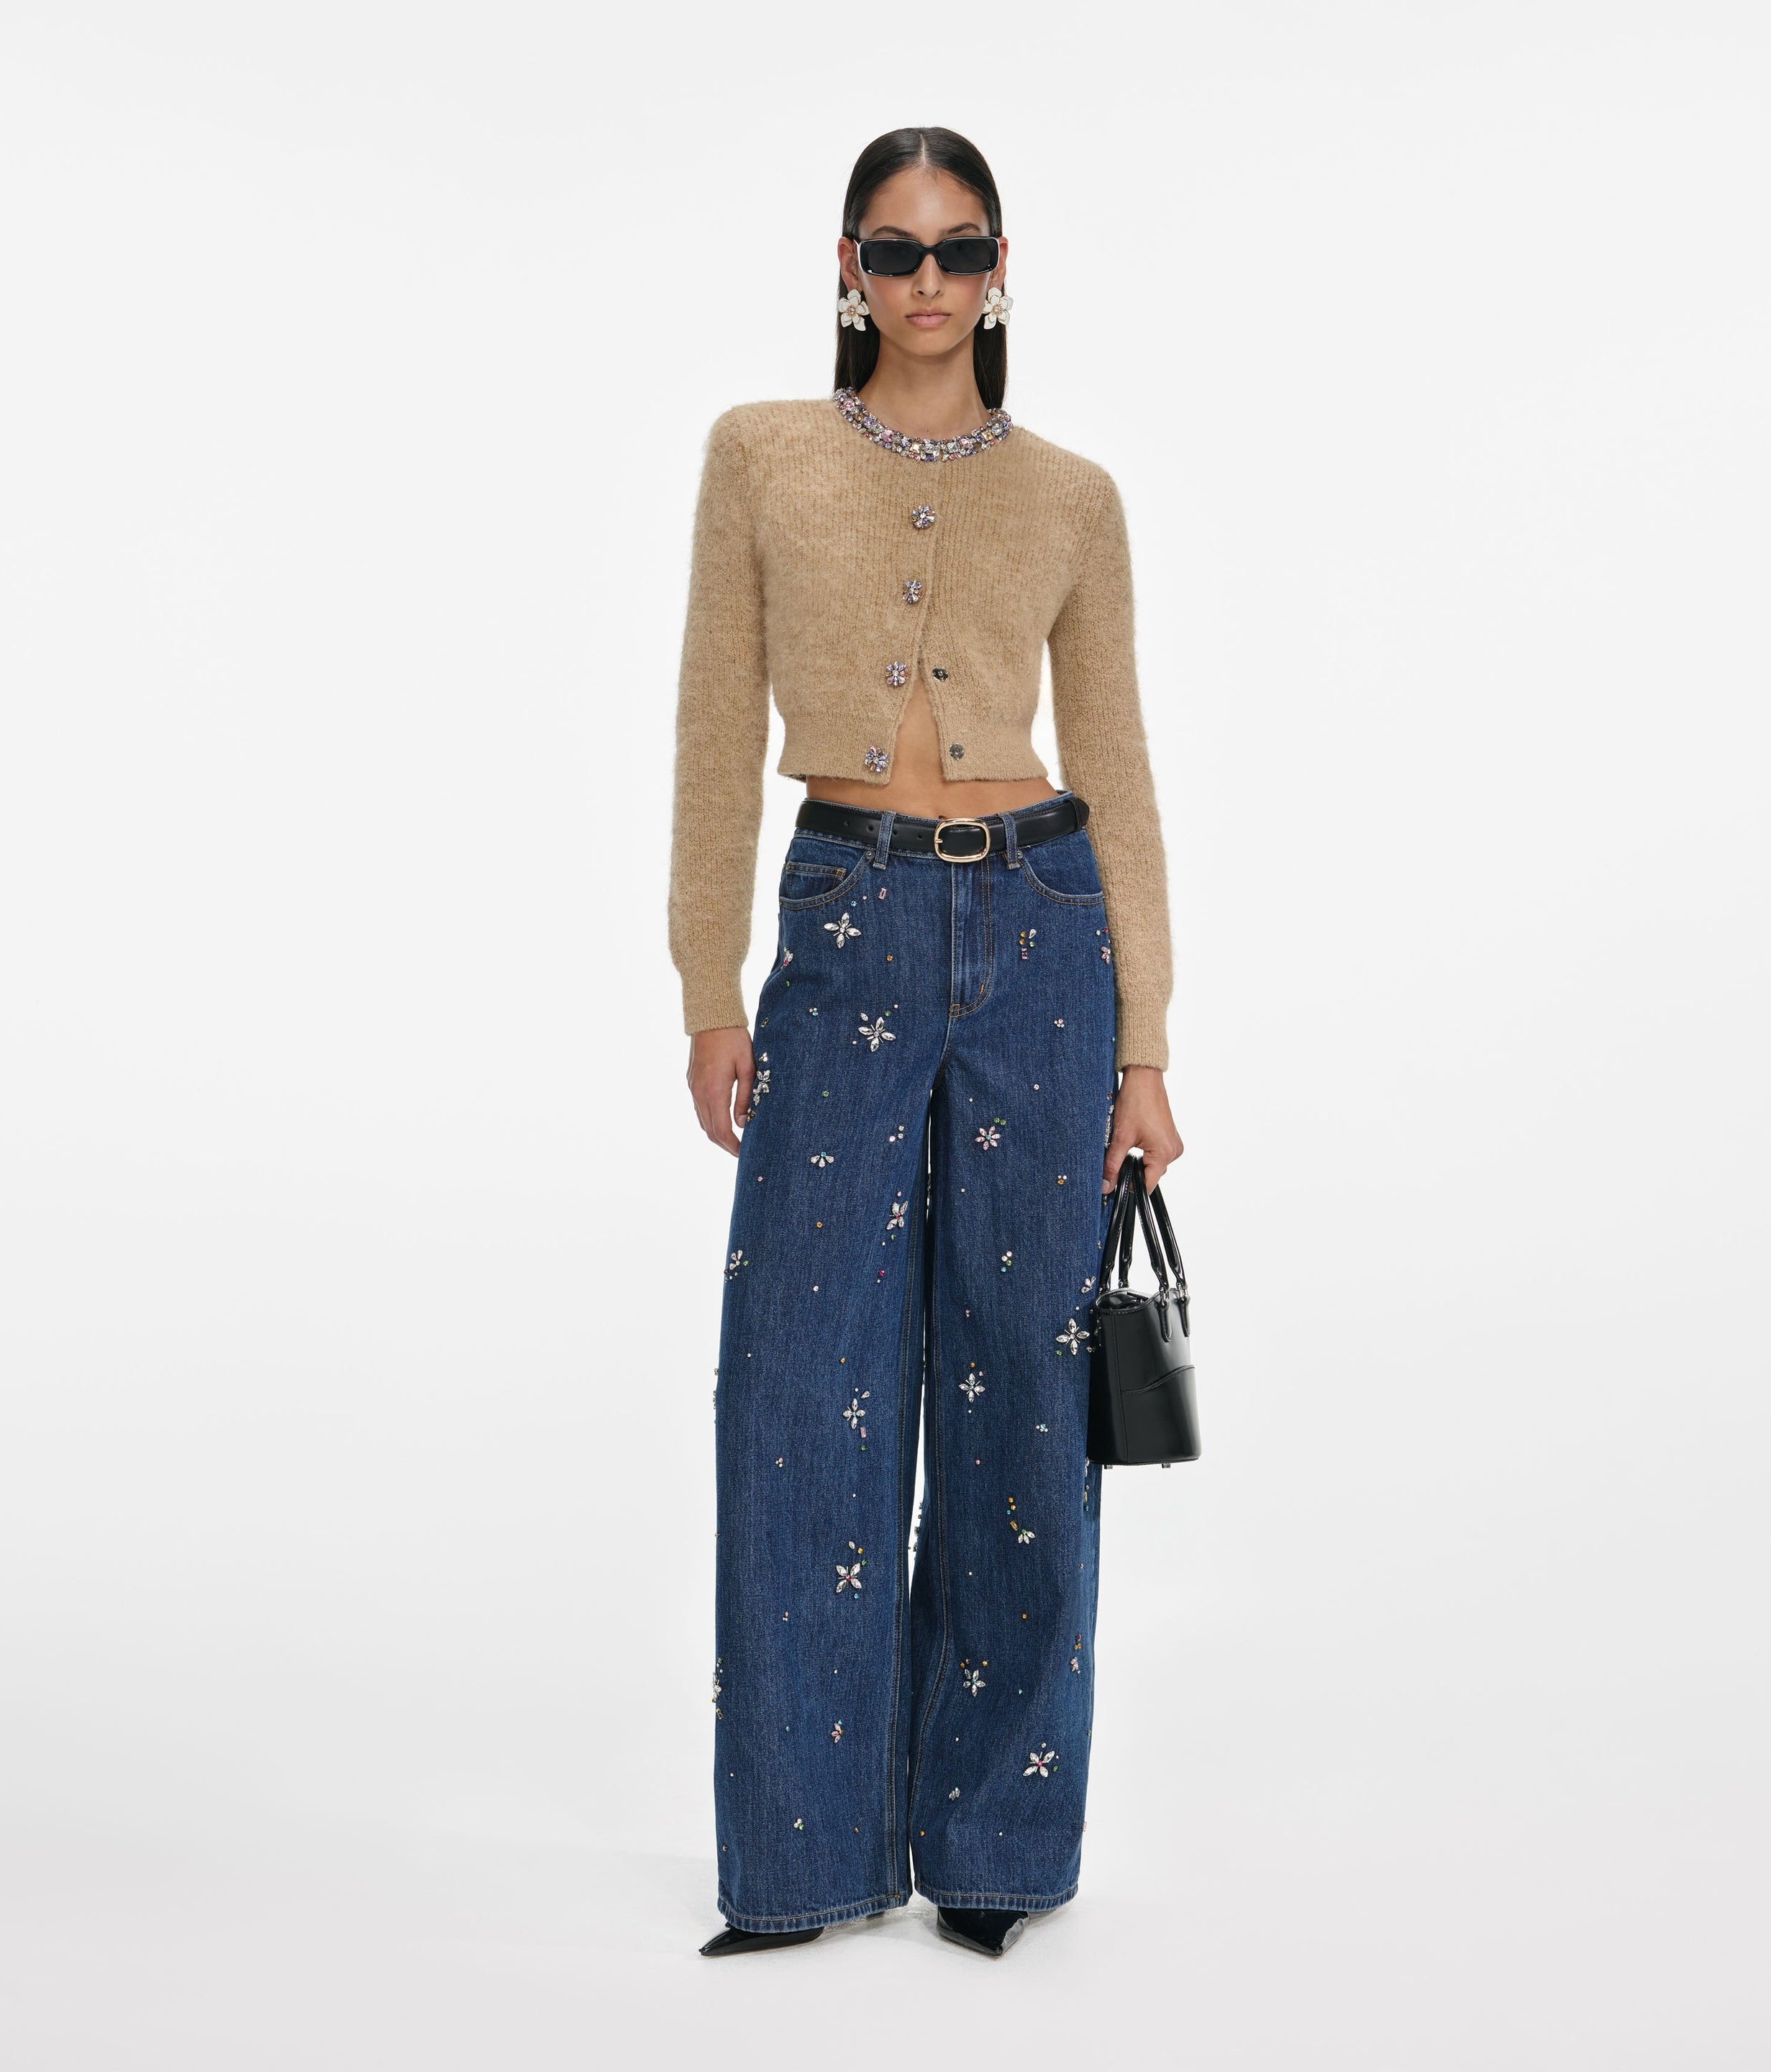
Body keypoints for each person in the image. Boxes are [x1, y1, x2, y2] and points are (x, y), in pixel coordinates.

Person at [668, 126, 1180, 1960]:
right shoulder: (760, 454)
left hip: (1044, 930)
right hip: (848, 919)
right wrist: (707, 985)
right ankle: (801, 1859)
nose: (930, 282)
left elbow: (1115, 765)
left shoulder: (1073, 496)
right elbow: (712, 729)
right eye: (895, 252)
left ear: (1001, 266)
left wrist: (1146, 1045)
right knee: (800, 1387)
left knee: (1022, 1386)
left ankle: (996, 1852)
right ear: (847, 268)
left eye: (960, 249)